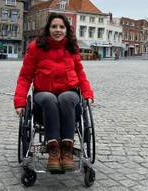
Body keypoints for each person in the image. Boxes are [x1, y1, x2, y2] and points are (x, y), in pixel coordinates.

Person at [14, 13, 94, 171]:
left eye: (61, 27)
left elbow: (80, 73)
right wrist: (20, 101)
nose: (58, 30)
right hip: (43, 95)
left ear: (66, 30)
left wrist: (87, 93)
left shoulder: (71, 47)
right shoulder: (36, 47)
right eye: (54, 26)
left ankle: (67, 152)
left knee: (66, 98)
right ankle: (53, 152)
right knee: (50, 99)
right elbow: (25, 77)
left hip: (69, 93)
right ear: (48, 29)